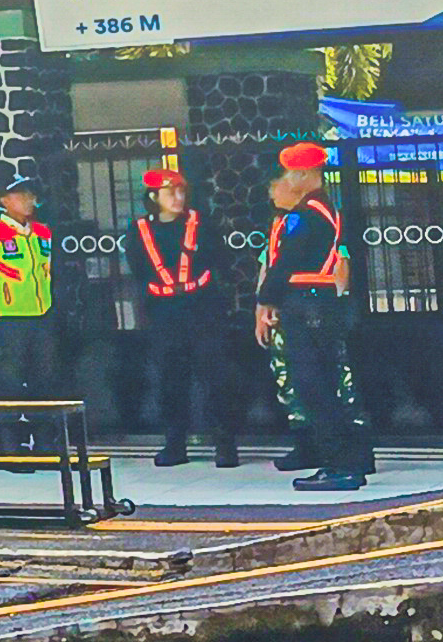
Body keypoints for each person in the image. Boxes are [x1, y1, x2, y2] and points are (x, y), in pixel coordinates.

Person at [257, 140, 372, 491]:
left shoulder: (306, 215)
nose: (287, 181)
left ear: (305, 174)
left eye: (291, 174)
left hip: (307, 306)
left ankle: (339, 465)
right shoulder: (322, 209)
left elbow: (286, 262)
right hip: (316, 303)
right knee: (321, 384)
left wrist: (265, 300)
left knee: (314, 386)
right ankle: (344, 462)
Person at [125, 164, 242, 468]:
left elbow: (221, 260)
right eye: (170, 193)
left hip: (202, 307)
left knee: (215, 377)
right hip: (163, 311)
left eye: (181, 192)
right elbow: (138, 270)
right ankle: (175, 444)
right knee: (170, 380)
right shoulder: (139, 230)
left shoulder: (201, 224)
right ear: (153, 197)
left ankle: (225, 445)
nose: (177, 198)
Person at [0, 173, 65, 407]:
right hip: (9, 317)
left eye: (30, 195)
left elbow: (49, 271)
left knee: (45, 376)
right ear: (4, 200)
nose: (28, 200)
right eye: (20, 195)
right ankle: (10, 427)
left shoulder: (42, 233)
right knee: (11, 378)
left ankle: (43, 428)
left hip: (41, 314)